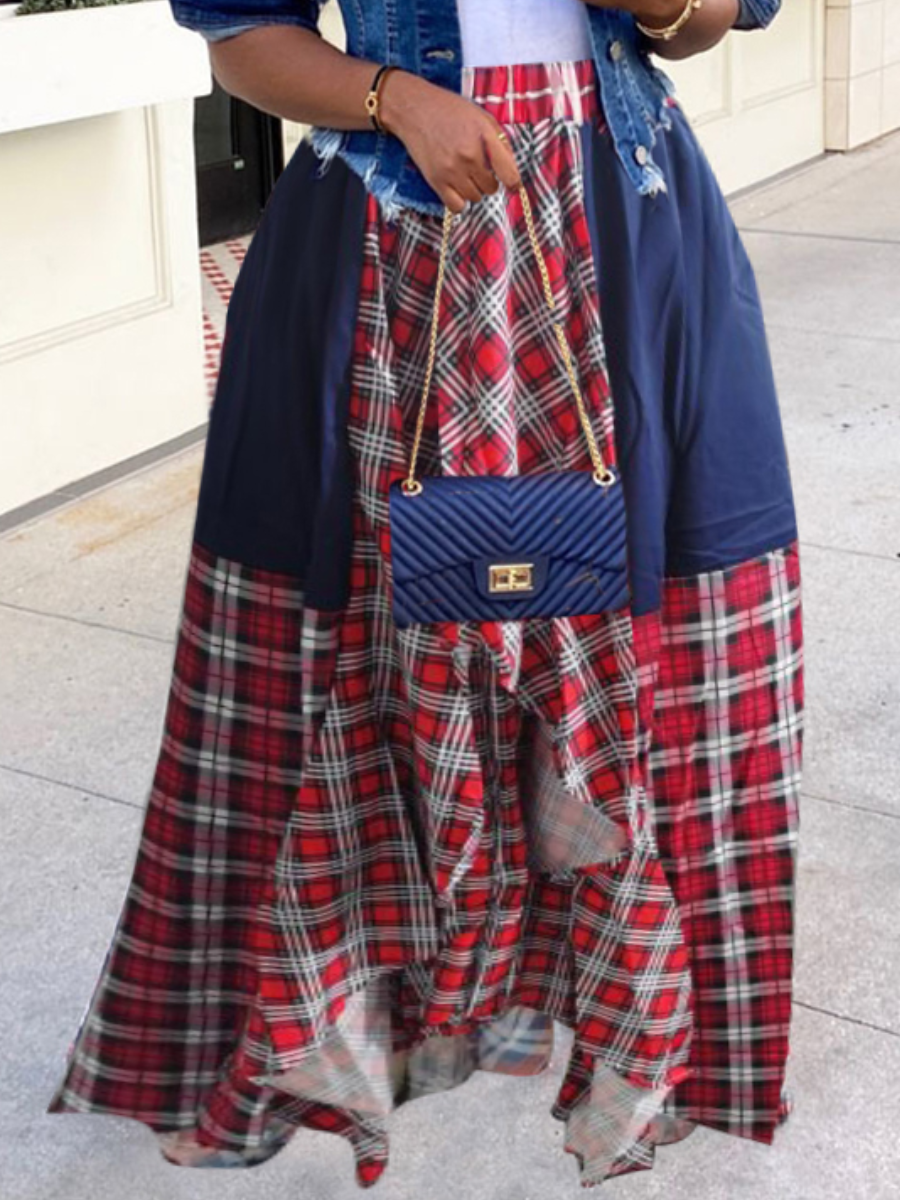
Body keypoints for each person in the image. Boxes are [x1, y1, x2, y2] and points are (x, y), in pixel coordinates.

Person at [46, 0, 804, 1189]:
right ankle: (329, 1031)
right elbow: (245, 37)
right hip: (390, 232)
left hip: (625, 228)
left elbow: (710, 23)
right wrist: (395, 99)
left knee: (638, 645)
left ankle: (635, 1040)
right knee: (374, 632)